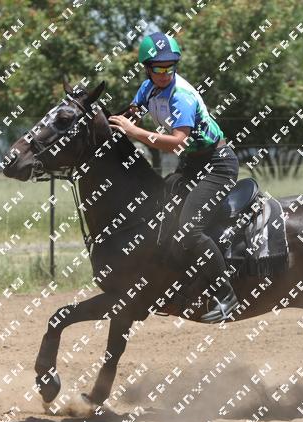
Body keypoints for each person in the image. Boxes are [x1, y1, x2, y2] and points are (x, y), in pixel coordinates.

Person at [108, 32, 240, 323]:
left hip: (217, 165)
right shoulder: (147, 89)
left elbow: (178, 141)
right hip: (191, 164)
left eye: (170, 67)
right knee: (160, 213)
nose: (165, 73)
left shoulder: (181, 96)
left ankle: (226, 295)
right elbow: (133, 114)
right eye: (158, 68)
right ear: (147, 68)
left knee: (190, 229)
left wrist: (135, 132)